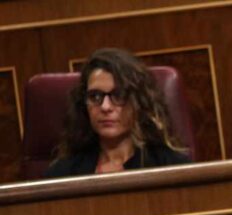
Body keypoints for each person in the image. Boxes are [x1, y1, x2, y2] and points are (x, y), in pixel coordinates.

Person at [45, 48, 190, 178]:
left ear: (138, 102)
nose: (105, 107)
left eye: (118, 95)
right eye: (95, 96)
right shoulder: (62, 174)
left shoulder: (171, 166)